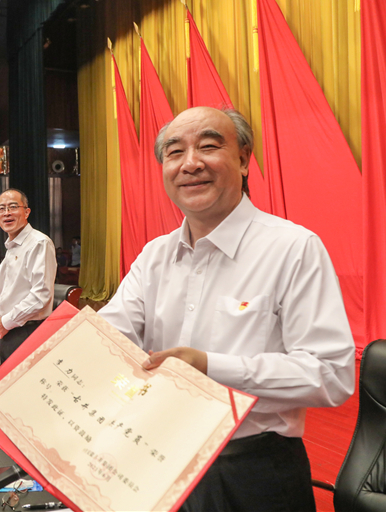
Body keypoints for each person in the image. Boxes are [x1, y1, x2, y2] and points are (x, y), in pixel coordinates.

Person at [97, 106, 355, 512]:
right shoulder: (155, 256)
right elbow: (105, 338)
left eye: (208, 146)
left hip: (253, 474)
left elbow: (331, 374)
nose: (190, 164)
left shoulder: (292, 248)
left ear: (243, 159)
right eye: (175, 152)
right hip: (158, 460)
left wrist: (209, 367)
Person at [0, 189, 57, 363]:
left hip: (27, 331)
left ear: (26, 212)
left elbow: (41, 295)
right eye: (1, 209)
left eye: (13, 207)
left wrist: (7, 321)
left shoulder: (38, 243)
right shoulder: (12, 245)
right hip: (10, 329)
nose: (6, 213)